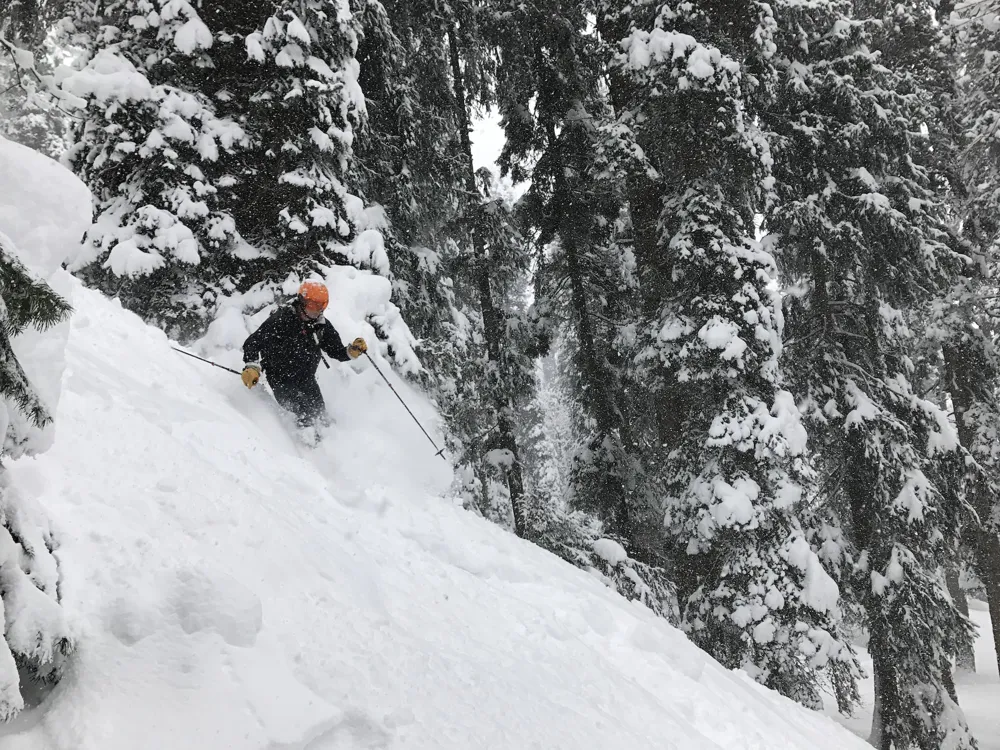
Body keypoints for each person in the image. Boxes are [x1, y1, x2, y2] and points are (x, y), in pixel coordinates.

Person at [241, 280, 367, 429]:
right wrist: (252, 366)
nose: (316, 310)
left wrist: (351, 352)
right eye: (312, 305)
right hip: (280, 378)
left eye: (321, 306)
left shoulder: (321, 326)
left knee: (321, 416)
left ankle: (330, 443)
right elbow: (253, 342)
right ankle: (302, 445)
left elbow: (336, 351)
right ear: (301, 301)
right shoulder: (282, 319)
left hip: (306, 379)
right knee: (304, 413)